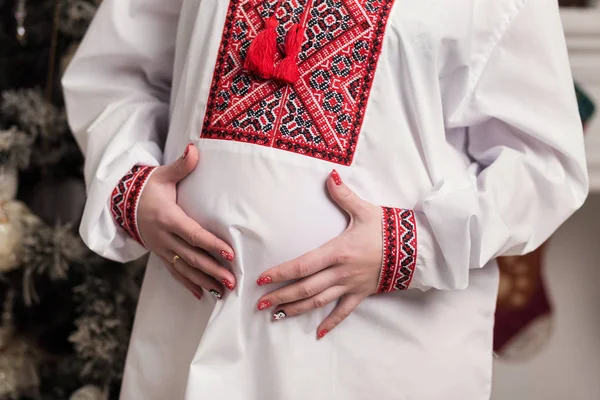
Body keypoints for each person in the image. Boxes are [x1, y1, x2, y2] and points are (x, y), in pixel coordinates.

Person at [61, 0, 588, 399]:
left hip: (375, 357)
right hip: (189, 333)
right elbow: (117, 74)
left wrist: (408, 245)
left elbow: (543, 161)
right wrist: (133, 188)